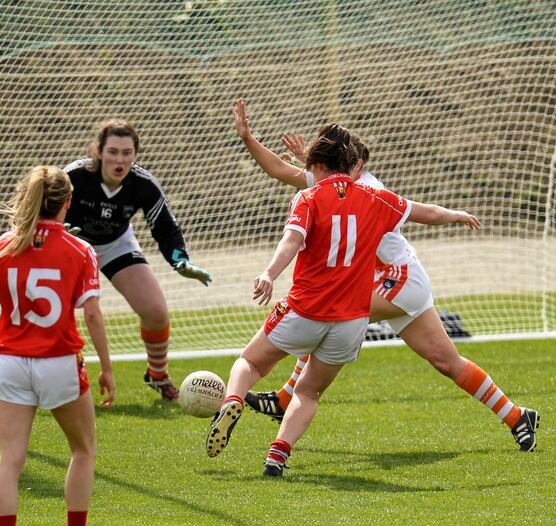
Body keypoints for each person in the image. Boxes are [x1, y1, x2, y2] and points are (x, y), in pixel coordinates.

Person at [230, 99, 539, 452]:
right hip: (398, 284)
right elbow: (278, 170)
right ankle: (517, 416)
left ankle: (287, 397)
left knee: (327, 309)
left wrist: (454, 213)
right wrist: (248, 137)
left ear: (356, 165)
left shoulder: (369, 190)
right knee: (447, 362)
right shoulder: (337, 185)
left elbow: (421, 211)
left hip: (401, 278)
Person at [208, 120, 482, 477]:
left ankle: (231, 402)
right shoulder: (374, 197)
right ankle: (277, 455)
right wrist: (456, 214)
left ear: (316, 165)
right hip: (352, 321)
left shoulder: (307, 197)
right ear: (351, 163)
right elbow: (424, 212)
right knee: (308, 394)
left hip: (306, 309)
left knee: (251, 364)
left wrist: (268, 274)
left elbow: (291, 241)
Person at [0, 166, 120, 526]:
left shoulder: (4, 245)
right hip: (59, 364)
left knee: (10, 460)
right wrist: (107, 367)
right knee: (83, 449)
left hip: (13, 365)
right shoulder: (80, 249)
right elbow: (92, 314)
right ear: (68, 202)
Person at [64, 119, 213, 400]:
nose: (120, 160)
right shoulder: (74, 177)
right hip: (71, 246)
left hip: (114, 244)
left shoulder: (143, 184)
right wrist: (57, 231)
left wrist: (180, 260)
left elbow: (165, 227)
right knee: (58, 315)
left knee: (156, 311)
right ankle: (57, 370)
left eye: (127, 153)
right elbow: (44, 207)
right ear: (98, 151)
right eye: (113, 152)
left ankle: (157, 375)